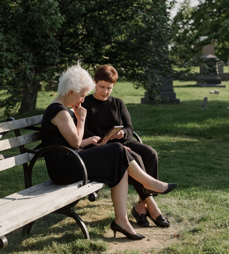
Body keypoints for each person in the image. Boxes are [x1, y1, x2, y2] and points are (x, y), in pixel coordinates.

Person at [40, 62, 177, 240]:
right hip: (64, 168)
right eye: (81, 95)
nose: (82, 100)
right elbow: (74, 143)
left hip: (72, 160)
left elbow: (75, 141)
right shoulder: (60, 111)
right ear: (71, 92)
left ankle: (121, 220)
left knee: (119, 160)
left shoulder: (61, 109)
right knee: (118, 151)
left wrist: (84, 129)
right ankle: (151, 185)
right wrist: (81, 119)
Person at [82, 65, 170, 228]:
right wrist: (104, 140)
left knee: (150, 153)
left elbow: (129, 128)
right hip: (101, 149)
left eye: (109, 88)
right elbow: (84, 133)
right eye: (102, 87)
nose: (105, 91)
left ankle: (140, 205)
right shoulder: (86, 104)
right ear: (94, 83)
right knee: (134, 157)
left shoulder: (118, 103)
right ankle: (150, 206)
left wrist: (123, 134)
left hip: (123, 142)